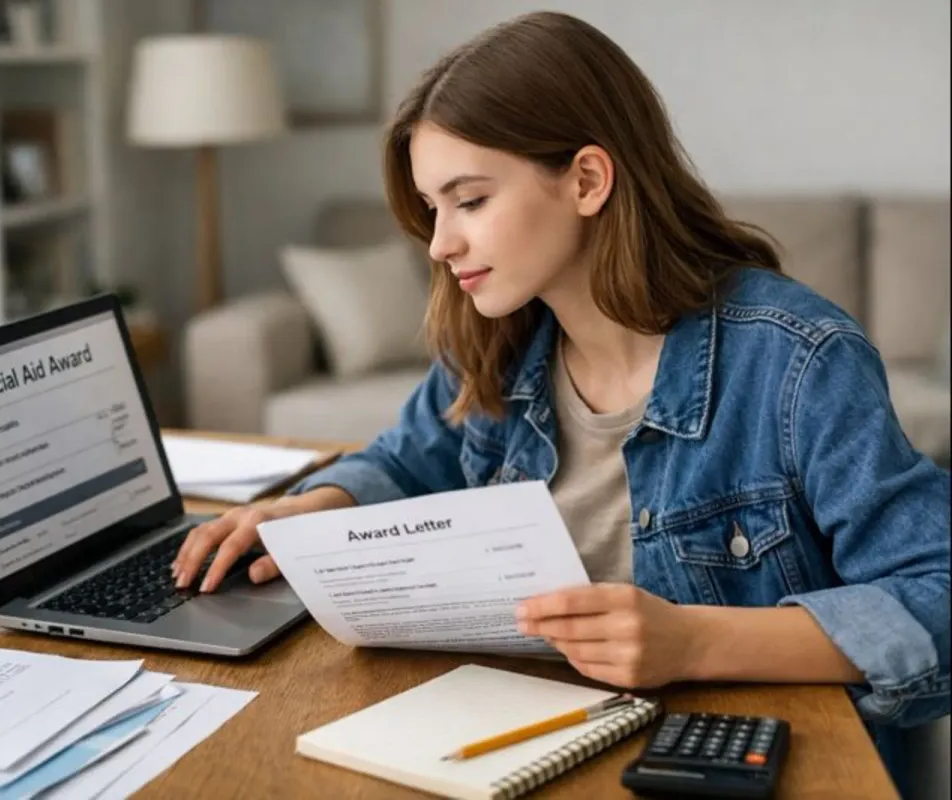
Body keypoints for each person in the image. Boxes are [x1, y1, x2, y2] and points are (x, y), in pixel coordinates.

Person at [173, 10, 949, 789]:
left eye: (469, 201)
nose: (440, 244)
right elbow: (407, 462)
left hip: (750, 760)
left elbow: (937, 598)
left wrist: (695, 641)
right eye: (432, 208)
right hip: (534, 740)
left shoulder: (797, 360)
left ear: (586, 180)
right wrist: (312, 509)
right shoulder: (499, 341)